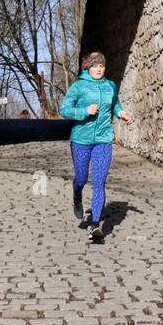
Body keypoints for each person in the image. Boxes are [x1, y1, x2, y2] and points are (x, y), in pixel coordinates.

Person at [59, 51, 131, 243]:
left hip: (103, 140)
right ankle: (77, 196)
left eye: (102, 65)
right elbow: (64, 110)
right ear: (88, 67)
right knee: (81, 178)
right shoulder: (79, 86)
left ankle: (96, 225)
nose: (99, 68)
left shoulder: (110, 86)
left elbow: (114, 103)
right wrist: (84, 111)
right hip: (81, 140)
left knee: (99, 182)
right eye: (95, 65)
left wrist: (121, 113)